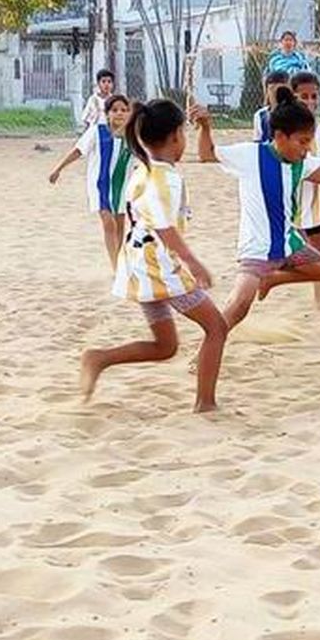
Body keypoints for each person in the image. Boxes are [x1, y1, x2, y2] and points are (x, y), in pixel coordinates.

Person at [79, 99, 227, 412]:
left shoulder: (142, 170)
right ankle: (205, 403)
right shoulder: (165, 179)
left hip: (137, 267)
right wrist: (195, 264)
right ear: (176, 137)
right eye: (184, 133)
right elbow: (164, 229)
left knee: (165, 346)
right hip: (160, 268)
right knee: (216, 327)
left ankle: (99, 358)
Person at [189, 87, 320, 331]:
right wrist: (206, 127)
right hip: (256, 249)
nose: (307, 149)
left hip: (289, 243)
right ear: (281, 136)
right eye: (303, 142)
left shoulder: (301, 163)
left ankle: (272, 280)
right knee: (239, 307)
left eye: (309, 142)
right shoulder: (251, 155)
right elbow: (207, 155)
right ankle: (210, 344)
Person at [49, 94, 134, 268]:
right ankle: (115, 267)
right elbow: (78, 151)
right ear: (107, 113)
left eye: (124, 110)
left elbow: (146, 155)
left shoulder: (133, 136)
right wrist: (59, 168)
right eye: (115, 110)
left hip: (121, 187)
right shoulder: (97, 131)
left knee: (119, 225)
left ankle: (119, 261)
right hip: (100, 186)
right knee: (108, 223)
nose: (120, 114)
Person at [290, 71, 320, 309]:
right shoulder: (293, 129)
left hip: (315, 203)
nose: (309, 101)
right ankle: (269, 282)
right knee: (297, 258)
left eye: (313, 96)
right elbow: (299, 163)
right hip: (295, 202)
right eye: (303, 97)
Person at [252, 70, 291, 142]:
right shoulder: (260, 115)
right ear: (267, 92)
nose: (275, 93)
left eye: (280, 89)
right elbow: (257, 142)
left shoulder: (296, 113)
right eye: (272, 89)